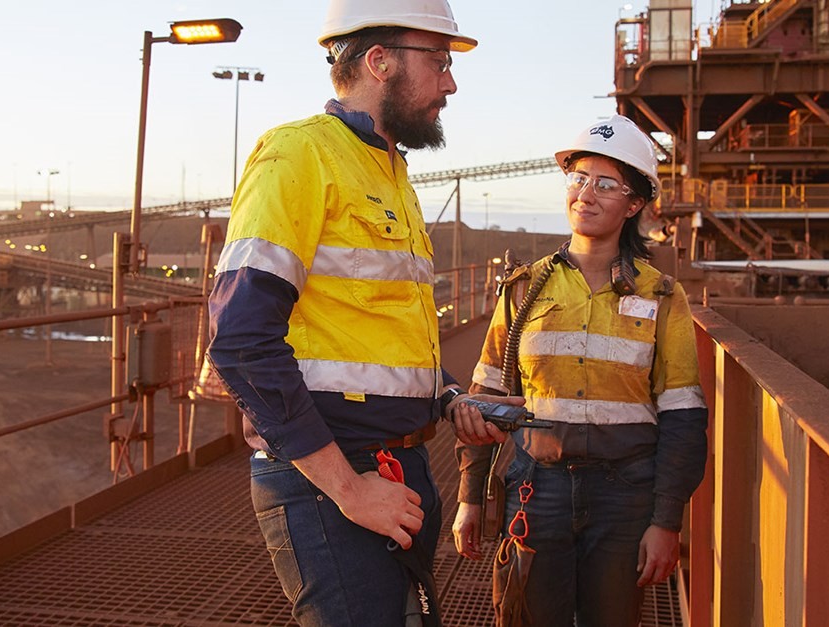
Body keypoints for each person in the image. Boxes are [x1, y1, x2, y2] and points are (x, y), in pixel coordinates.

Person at [206, 1, 510, 624]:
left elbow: (379, 339)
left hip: (400, 467)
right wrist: (349, 490)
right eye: (440, 62)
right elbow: (240, 342)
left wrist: (450, 398)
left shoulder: (392, 172)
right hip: (331, 481)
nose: (450, 83)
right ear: (379, 61)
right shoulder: (299, 156)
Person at [450, 114, 709, 626]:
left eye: (607, 184)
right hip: (536, 488)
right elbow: (485, 400)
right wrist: (470, 499)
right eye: (578, 179)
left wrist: (666, 520)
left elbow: (683, 417)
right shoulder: (525, 290)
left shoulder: (661, 296)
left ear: (634, 204)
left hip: (625, 496)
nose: (586, 195)